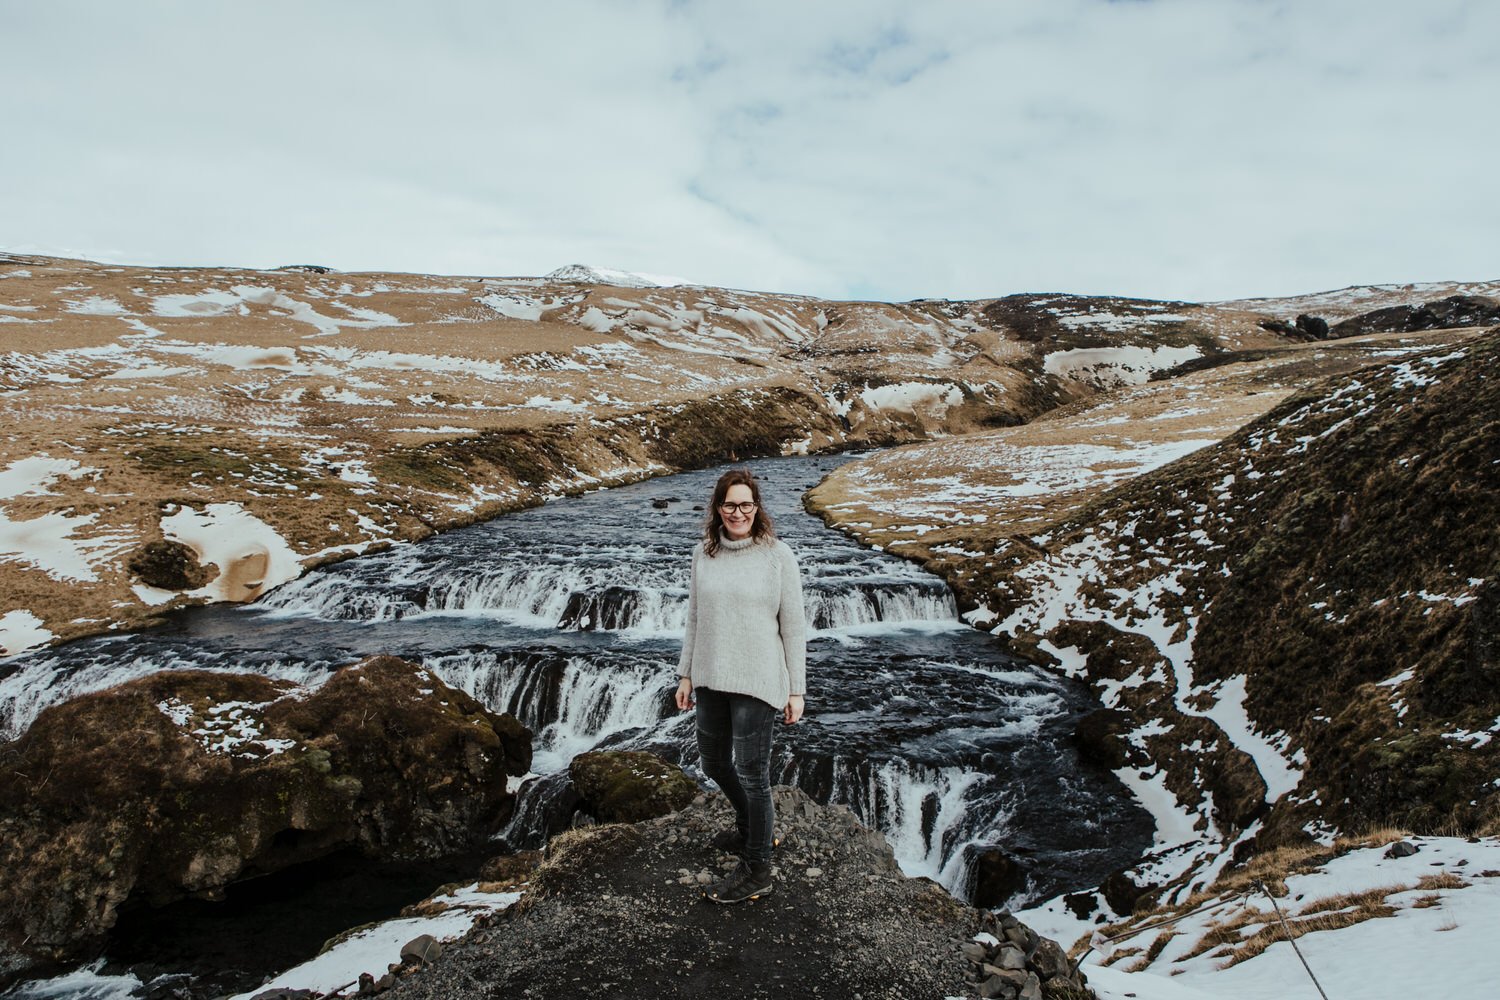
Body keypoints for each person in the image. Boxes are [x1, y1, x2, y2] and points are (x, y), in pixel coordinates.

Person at [675, 468, 807, 904]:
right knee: (714, 763)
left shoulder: (777, 556)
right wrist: (686, 674)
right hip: (711, 675)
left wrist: (796, 690)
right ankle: (754, 829)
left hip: (759, 679)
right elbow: (695, 617)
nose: (738, 512)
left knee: (753, 773)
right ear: (718, 508)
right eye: (730, 504)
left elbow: (793, 626)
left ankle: (757, 870)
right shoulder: (703, 553)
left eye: (746, 504)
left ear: (757, 508)